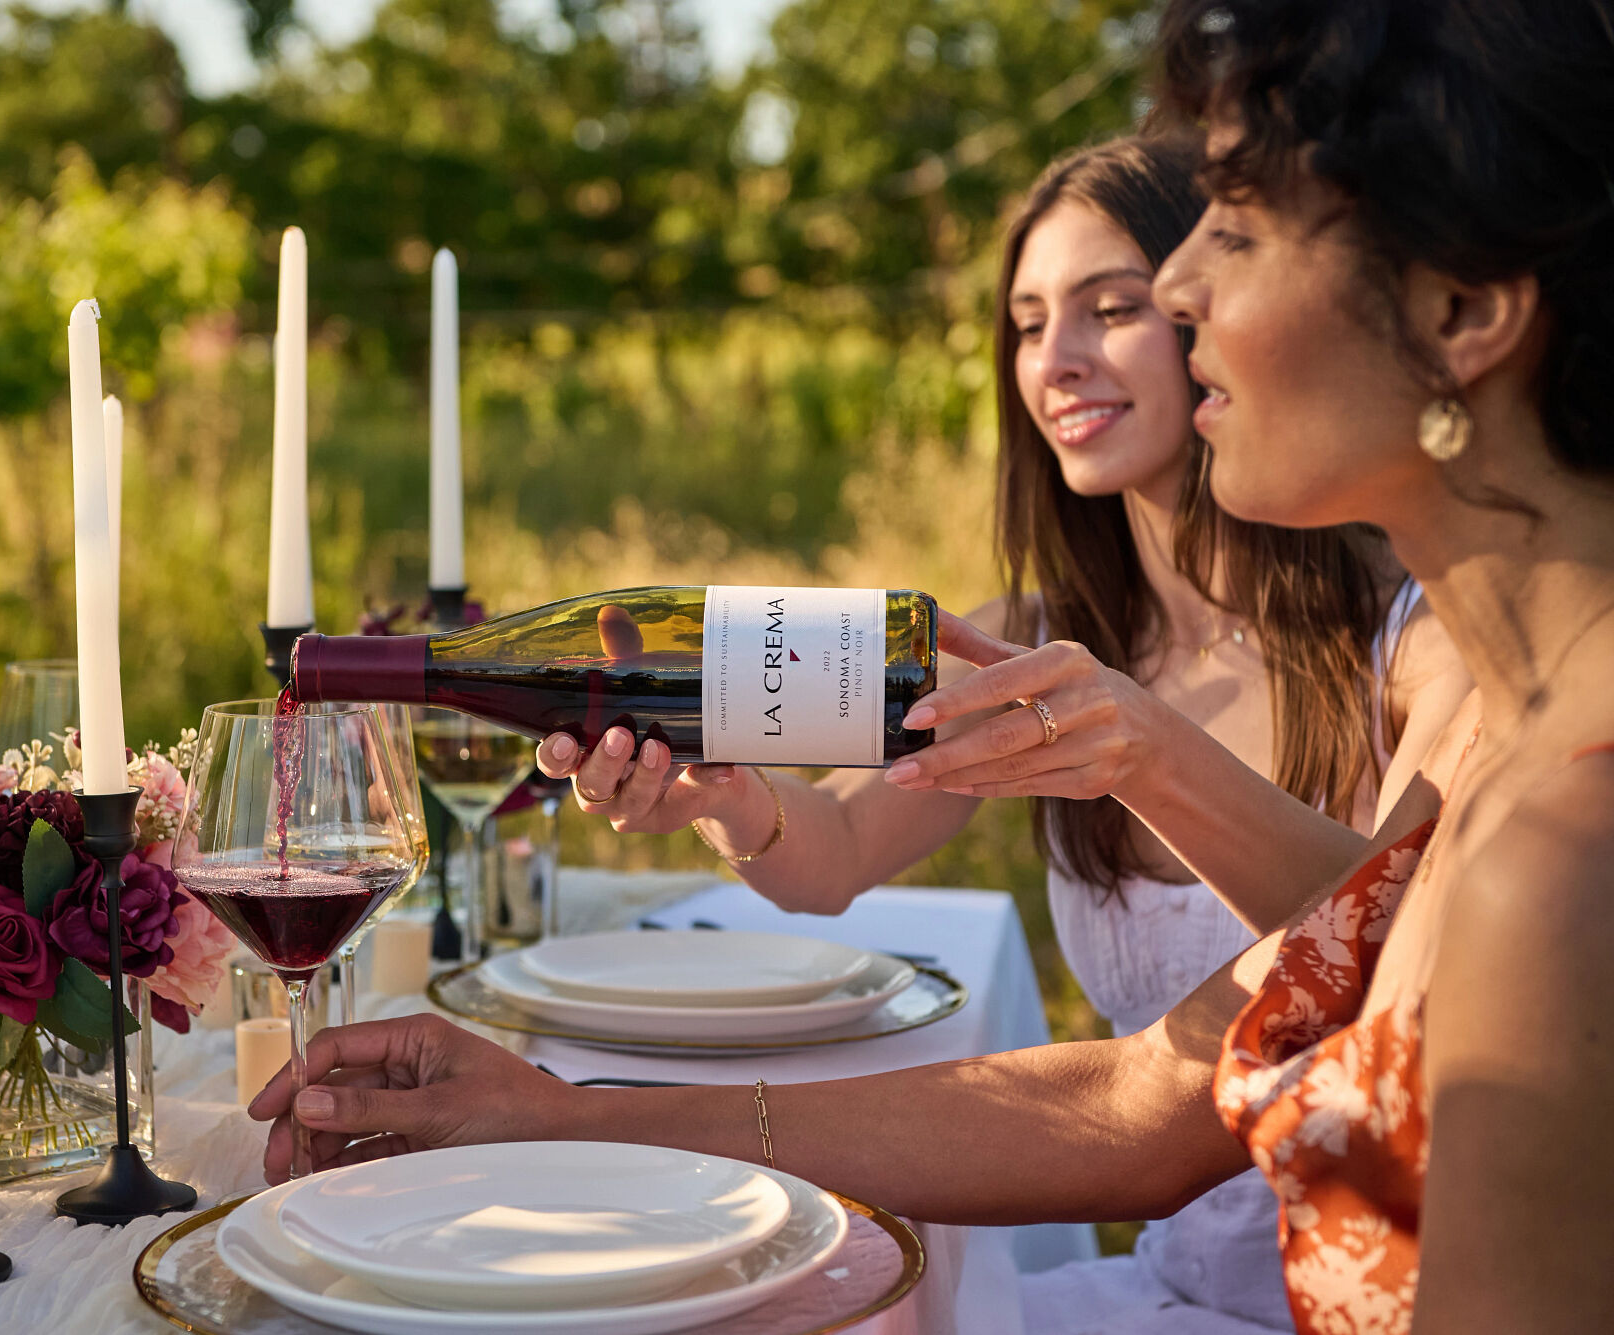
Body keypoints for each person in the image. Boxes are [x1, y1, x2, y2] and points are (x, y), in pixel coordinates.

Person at [253, 0, 1614, 1326]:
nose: (1186, 293)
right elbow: (1146, 1102)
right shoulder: (1490, 728)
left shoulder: (1559, 830)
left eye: (1236, 232)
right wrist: (564, 1109)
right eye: (1031, 320)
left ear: (1463, 308)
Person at [542, 135, 1468, 1332]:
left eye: (1110, 308)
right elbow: (828, 857)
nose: (1058, 361)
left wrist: (1148, 755)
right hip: (1167, 1286)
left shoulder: (1410, 638)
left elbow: (1392, 969)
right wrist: (730, 797)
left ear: (1213, 307)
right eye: (1028, 324)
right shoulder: (1027, 643)